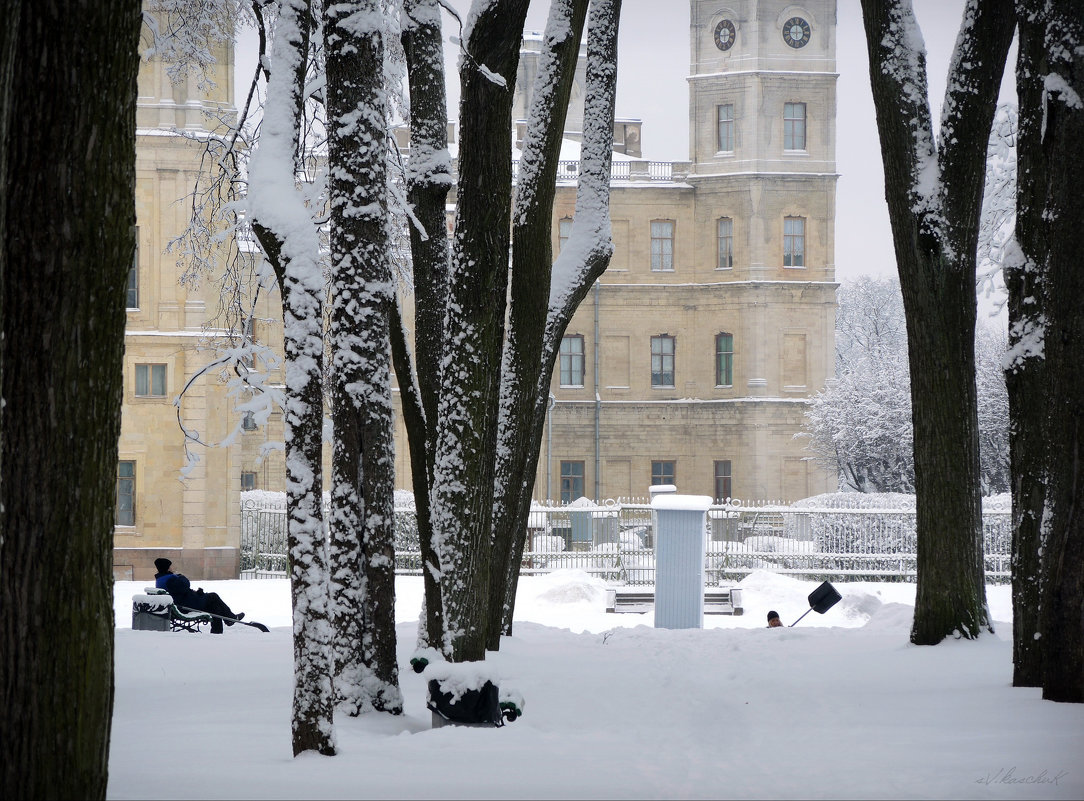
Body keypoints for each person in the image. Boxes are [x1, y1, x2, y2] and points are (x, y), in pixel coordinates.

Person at [154, 557, 244, 634]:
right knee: (213, 597)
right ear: (167, 568)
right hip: (185, 606)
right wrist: (181, 576)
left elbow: (180, 592)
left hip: (184, 602)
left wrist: (197, 593)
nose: (172, 567)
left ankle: (222, 627)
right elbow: (185, 584)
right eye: (170, 566)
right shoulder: (170, 579)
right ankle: (228, 620)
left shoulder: (161, 579)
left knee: (214, 606)